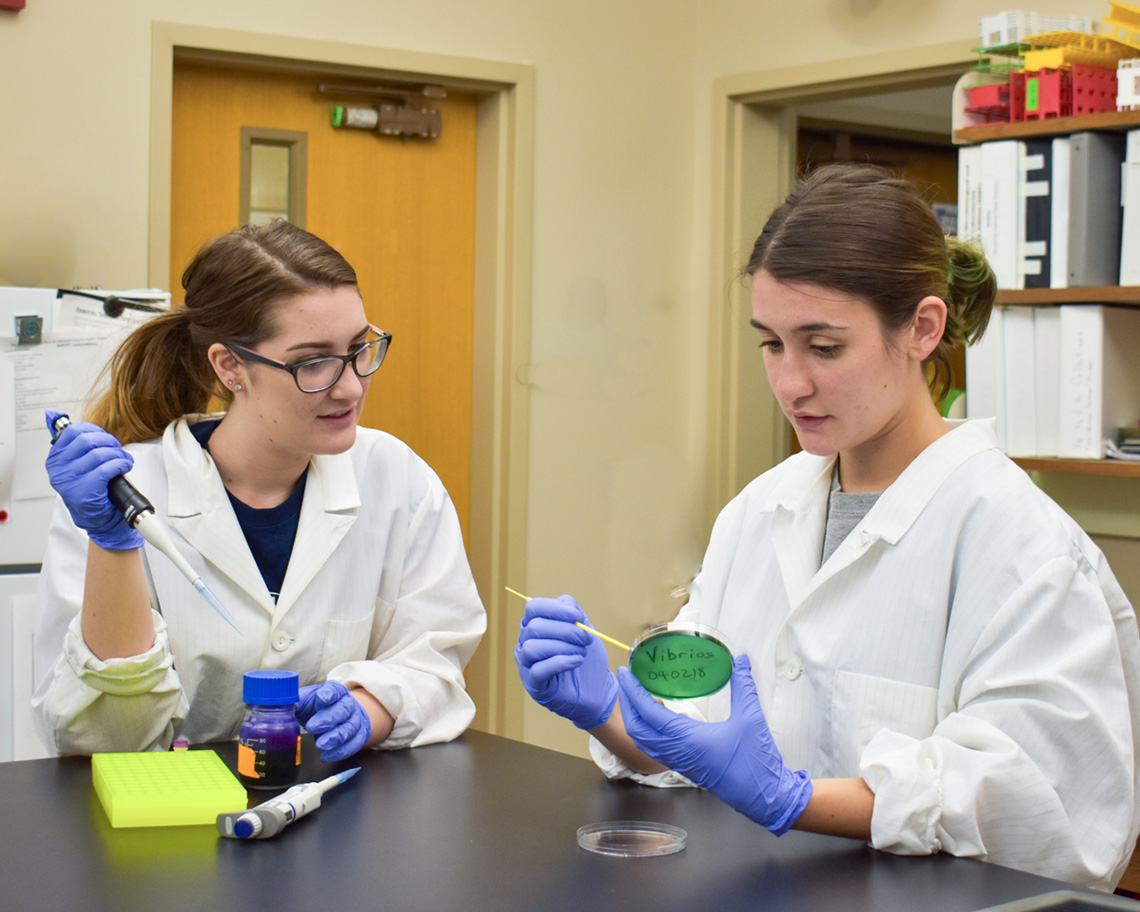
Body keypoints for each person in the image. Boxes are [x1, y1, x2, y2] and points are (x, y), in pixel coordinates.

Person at [515, 165, 1140, 891]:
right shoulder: (760, 511)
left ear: (923, 329)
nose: (790, 383)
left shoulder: (1025, 547)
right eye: (772, 344)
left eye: (824, 346)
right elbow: (706, 742)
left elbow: (1044, 807)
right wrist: (609, 714)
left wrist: (793, 798)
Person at [34, 220, 486, 762]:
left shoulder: (397, 479)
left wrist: (371, 708)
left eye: (358, 348)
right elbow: (102, 739)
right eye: (312, 362)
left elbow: (434, 660)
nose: (349, 386)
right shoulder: (122, 495)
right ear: (230, 367)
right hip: (171, 823)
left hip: (340, 814)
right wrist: (113, 547)